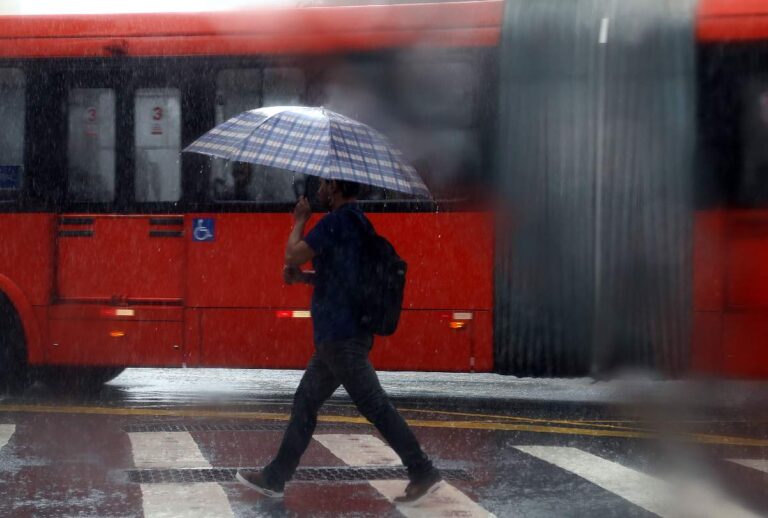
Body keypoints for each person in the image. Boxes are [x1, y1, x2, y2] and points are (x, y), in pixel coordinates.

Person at [236, 178, 443, 506]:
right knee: (305, 402)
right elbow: (342, 278)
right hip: (340, 335)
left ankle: (422, 470)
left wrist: (300, 220)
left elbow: (292, 253)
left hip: (340, 336)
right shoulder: (358, 221)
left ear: (334, 188)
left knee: (374, 405)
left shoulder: (335, 222)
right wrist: (304, 278)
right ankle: (275, 477)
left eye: (323, 183)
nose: (318, 188)